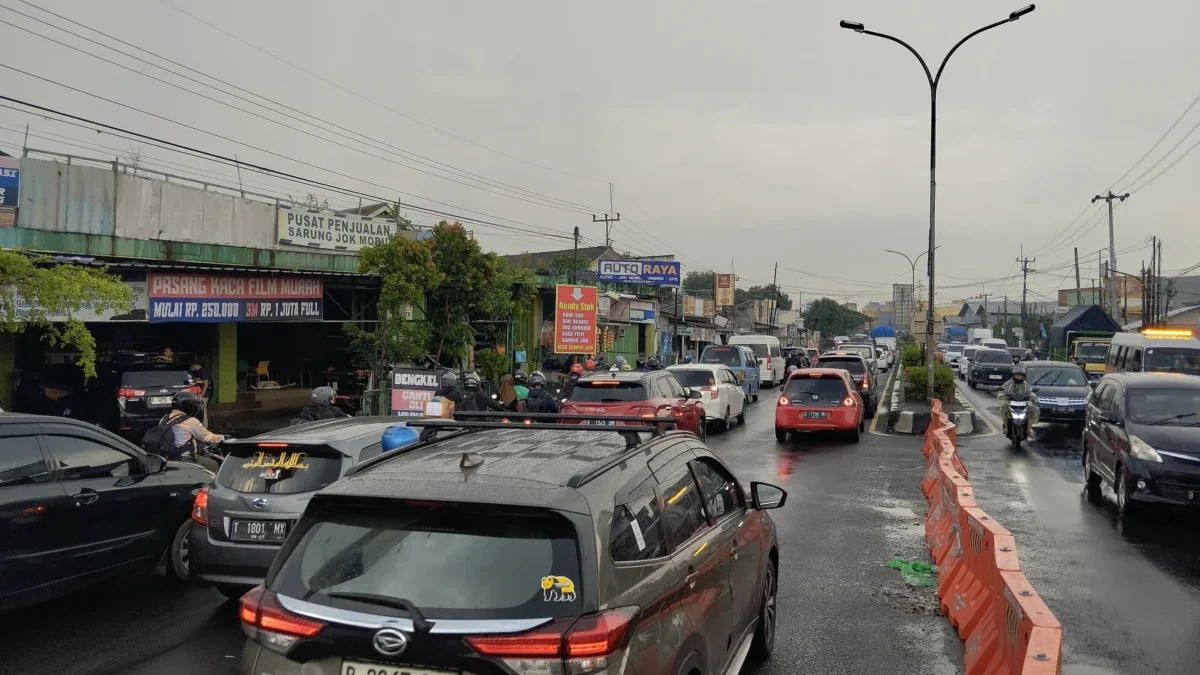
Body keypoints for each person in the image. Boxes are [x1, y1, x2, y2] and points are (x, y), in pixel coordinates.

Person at [162, 391, 223, 472]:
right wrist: (221, 438)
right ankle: (210, 484)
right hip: (185, 458)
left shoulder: (164, 419)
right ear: (188, 406)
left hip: (167, 457)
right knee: (214, 465)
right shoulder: (190, 421)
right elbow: (207, 437)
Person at [998, 366, 1039, 438]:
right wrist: (1002, 397)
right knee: (1002, 408)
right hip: (1010, 404)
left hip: (1023, 404)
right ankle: (1006, 426)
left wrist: (1033, 397)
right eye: (1017, 375)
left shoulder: (1026, 385)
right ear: (1013, 375)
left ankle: (1029, 428)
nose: (1019, 377)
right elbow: (1002, 392)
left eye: (1021, 375)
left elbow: (1031, 392)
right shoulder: (1008, 384)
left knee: (1035, 409)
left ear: (1023, 376)